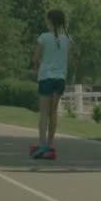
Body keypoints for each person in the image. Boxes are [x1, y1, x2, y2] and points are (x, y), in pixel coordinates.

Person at [31, 9, 72, 159]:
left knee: (43, 113)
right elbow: (71, 59)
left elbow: (35, 58)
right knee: (53, 112)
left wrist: (37, 68)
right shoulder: (68, 39)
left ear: (50, 21)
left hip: (46, 78)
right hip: (60, 79)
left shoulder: (43, 37)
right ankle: (50, 145)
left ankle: (42, 145)